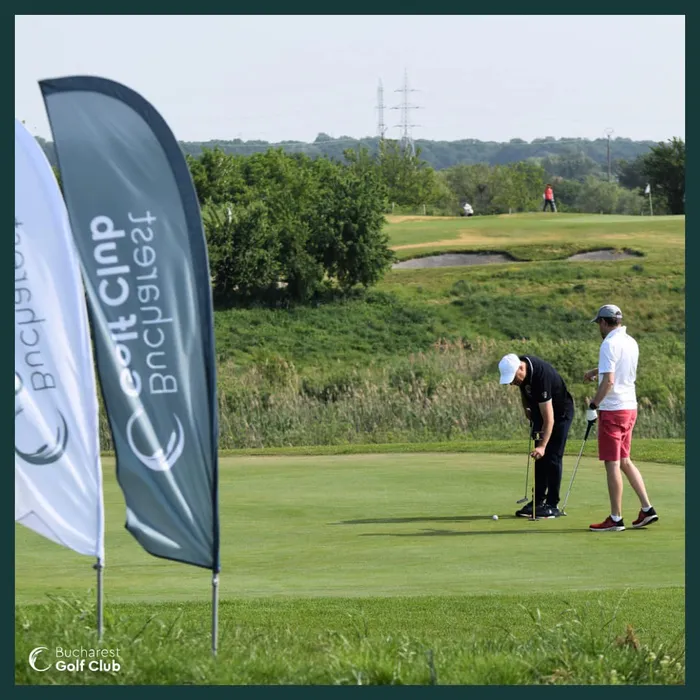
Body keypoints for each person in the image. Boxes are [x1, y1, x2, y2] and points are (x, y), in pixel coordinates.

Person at [585, 304, 658, 532]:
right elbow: (617, 367)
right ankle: (647, 509)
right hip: (629, 408)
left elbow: (609, 381)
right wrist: (595, 371)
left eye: (599, 323)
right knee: (625, 460)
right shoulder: (630, 341)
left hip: (613, 410)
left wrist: (593, 404)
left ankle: (615, 518)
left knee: (612, 463)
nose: (599, 327)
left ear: (604, 322)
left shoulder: (608, 343)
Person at [498, 353, 575, 518]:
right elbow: (523, 389)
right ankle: (538, 502)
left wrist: (542, 446)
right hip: (541, 412)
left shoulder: (541, 376)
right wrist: (527, 407)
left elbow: (550, 419)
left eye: (513, 378)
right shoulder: (521, 369)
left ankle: (552, 505)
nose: (512, 383)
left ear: (520, 368)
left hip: (560, 415)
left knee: (552, 456)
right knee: (539, 458)